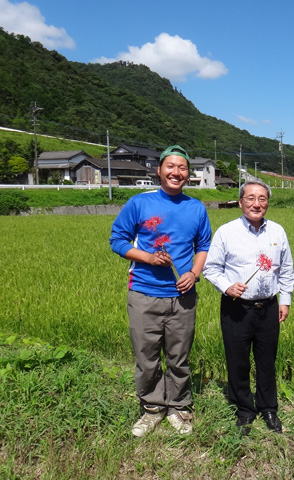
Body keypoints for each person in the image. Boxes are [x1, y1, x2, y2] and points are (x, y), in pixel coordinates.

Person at [109, 145, 212, 437]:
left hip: (183, 296)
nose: (176, 172)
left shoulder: (196, 208)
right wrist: (149, 257)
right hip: (143, 293)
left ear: (188, 174)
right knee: (147, 356)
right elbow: (117, 240)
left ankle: (179, 407)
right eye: (170, 166)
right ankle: (152, 408)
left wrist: (193, 273)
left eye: (182, 168)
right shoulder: (139, 204)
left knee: (179, 356)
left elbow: (204, 246)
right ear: (159, 170)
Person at [203, 179, 294, 434]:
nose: (256, 203)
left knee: (267, 360)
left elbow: (286, 269)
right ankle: (244, 408)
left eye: (262, 198)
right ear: (241, 201)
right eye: (251, 198)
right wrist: (227, 286)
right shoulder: (226, 231)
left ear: (268, 202)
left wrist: (284, 300)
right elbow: (211, 268)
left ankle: (268, 408)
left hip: (268, 306)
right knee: (238, 359)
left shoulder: (277, 231)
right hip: (236, 307)